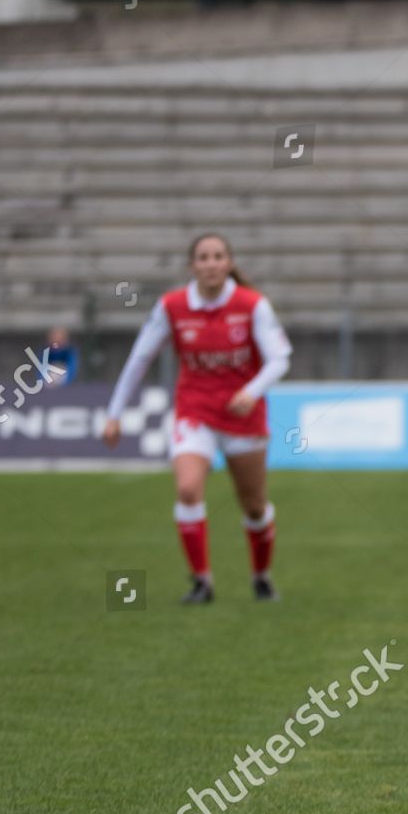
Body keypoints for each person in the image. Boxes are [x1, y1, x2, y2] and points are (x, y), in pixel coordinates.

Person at [102, 233, 292, 604]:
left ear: (229, 262)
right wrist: (114, 413)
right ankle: (202, 582)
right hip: (195, 410)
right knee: (188, 488)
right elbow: (140, 358)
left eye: (218, 256)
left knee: (253, 505)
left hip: (243, 416)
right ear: (193, 265)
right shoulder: (172, 306)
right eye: (203, 257)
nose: (211, 263)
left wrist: (251, 391)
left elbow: (279, 359)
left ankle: (261, 576)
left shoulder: (252, 305)